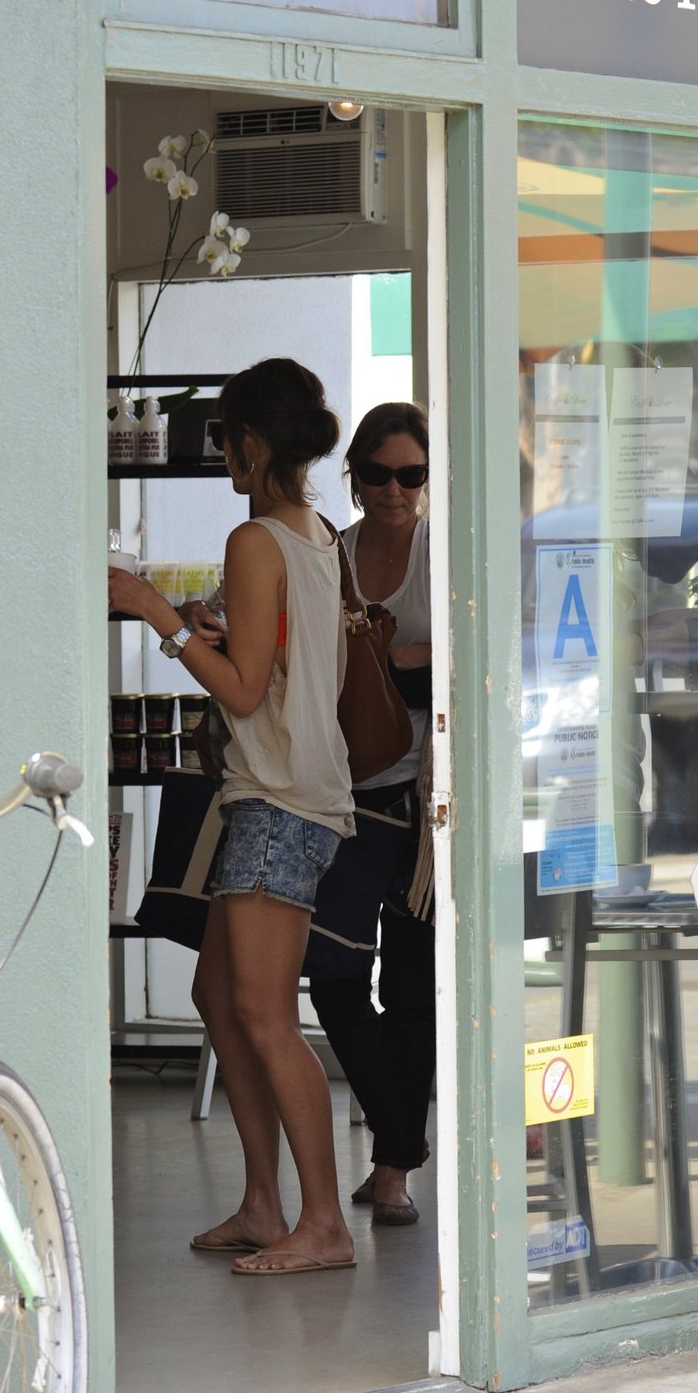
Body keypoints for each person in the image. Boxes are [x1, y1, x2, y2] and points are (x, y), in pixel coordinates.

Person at [108, 357, 357, 1277]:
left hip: (278, 797)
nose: (220, 458)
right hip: (297, 791)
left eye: (222, 441)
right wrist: (205, 635)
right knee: (220, 997)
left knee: (260, 1012)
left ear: (249, 444)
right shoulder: (317, 533)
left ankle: (322, 1222)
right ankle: (262, 1203)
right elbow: (278, 668)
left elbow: (246, 694)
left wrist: (153, 615)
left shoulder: (256, 539)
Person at [307, 402, 436, 1227]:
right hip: (347, 787)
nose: (395, 490)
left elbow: (483, 649)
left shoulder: (444, 550)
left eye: (412, 475)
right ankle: (398, 1135)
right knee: (335, 974)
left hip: (430, 799)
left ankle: (391, 1170)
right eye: (379, 474)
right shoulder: (333, 555)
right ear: (353, 475)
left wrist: (384, 656)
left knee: (414, 986)